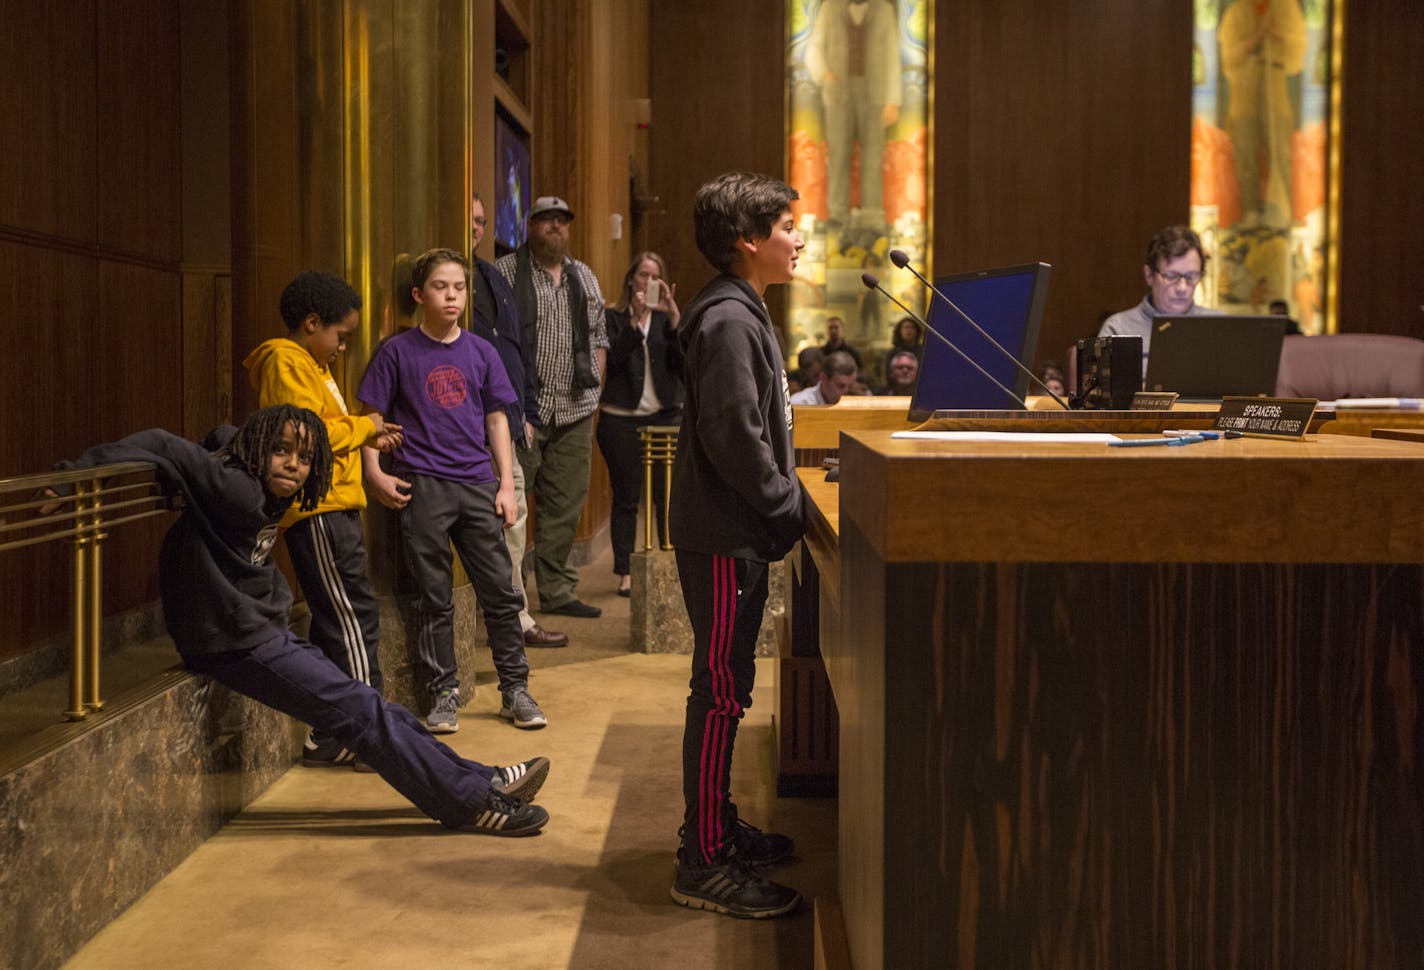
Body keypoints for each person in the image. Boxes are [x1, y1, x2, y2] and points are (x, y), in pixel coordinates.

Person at [43, 404, 551, 834]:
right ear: (258, 447)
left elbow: (220, 437)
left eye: (305, 458)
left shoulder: (255, 482)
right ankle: (471, 806)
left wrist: (222, 445)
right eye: (281, 451)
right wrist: (70, 478)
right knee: (362, 713)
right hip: (232, 642)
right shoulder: (234, 485)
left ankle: (481, 780)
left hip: (256, 630)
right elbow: (161, 443)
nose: (292, 466)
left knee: (373, 705)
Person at [668, 171, 807, 919]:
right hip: (722, 533)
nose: (799, 237)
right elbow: (734, 437)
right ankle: (704, 860)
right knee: (719, 692)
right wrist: (786, 503)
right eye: (788, 225)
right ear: (748, 241)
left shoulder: (740, 310)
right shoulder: (727, 320)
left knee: (725, 689)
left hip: (729, 529)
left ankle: (715, 828)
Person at [358, 248, 548, 734]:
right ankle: (443, 692)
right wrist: (374, 473)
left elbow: (498, 418)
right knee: (433, 597)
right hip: (422, 486)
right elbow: (371, 420)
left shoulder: (481, 351)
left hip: (477, 483)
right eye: (441, 287)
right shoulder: (396, 351)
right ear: (420, 295)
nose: (452, 296)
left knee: (502, 594)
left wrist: (507, 485)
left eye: (460, 288)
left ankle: (514, 689)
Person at [242, 272, 402, 768]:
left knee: (338, 623)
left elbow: (328, 429)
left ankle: (330, 734)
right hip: (320, 511)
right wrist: (364, 426)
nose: (340, 347)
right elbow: (303, 434)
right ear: (312, 323)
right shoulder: (285, 360)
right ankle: (366, 733)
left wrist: (365, 435)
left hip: (336, 507)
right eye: (340, 336)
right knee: (353, 619)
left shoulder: (311, 365)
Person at [495, 196, 610, 620]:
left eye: (563, 221)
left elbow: (600, 338)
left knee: (565, 505)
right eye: (547, 221)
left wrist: (594, 395)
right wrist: (512, 408)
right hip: (525, 410)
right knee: (514, 509)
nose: (556, 228)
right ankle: (513, 598)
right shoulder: (506, 273)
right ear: (530, 226)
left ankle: (558, 590)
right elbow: (498, 345)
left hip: (576, 409)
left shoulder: (585, 277)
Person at [465, 192, 569, 649]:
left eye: (482, 221)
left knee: (513, 517)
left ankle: (515, 619)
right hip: (455, 422)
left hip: (502, 418)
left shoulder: (490, 275)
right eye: (469, 219)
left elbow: (514, 350)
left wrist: (523, 407)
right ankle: (501, 618)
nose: (476, 228)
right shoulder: (447, 275)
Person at [597, 251, 684, 597]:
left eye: (655, 276)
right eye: (643, 275)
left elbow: (683, 366)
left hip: (665, 417)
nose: (648, 282)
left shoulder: (668, 322)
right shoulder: (613, 317)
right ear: (631, 279)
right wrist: (635, 322)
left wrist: (675, 317)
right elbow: (612, 361)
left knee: (667, 496)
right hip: (621, 419)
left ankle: (668, 563)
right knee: (627, 498)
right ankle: (626, 572)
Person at [804, 0, 902, 236]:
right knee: (837, 156)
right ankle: (837, 215)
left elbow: (892, 55)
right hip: (838, 96)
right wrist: (824, 74)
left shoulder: (884, 10)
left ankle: (872, 217)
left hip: (875, 96)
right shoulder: (830, 8)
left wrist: (893, 100)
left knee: (873, 157)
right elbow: (813, 49)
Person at [1219, 0, 1307, 226]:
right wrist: (1255, 38)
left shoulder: (1286, 9)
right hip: (1243, 95)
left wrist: (1278, 35)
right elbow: (1228, 58)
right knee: (1246, 154)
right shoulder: (1235, 13)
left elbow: (1298, 52)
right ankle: (1250, 211)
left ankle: (1281, 209)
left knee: (1280, 153)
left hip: (1276, 94)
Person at [1097, 225, 1222, 368]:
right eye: (1171, 276)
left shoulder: (1220, 326)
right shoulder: (1118, 329)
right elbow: (1105, 389)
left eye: (1191, 276)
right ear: (1149, 275)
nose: (1182, 287)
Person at [790, 349, 858, 405]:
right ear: (823, 378)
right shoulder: (799, 403)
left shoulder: (858, 403)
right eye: (841, 386)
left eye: (850, 386)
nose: (846, 391)